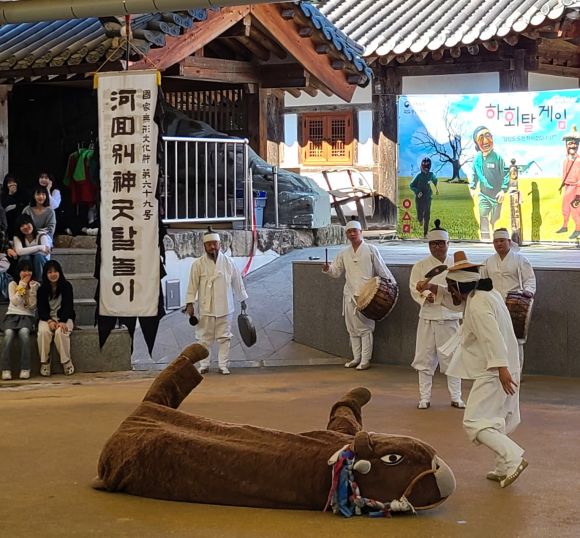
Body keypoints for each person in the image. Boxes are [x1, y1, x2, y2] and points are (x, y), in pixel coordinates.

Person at [417, 251, 527, 488]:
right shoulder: (485, 294)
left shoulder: (477, 305)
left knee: (474, 421)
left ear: (459, 286)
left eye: (451, 287)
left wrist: (501, 369)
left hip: (496, 370)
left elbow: (492, 337)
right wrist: (432, 287)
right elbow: (455, 301)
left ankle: (513, 458)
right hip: (504, 366)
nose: (450, 292)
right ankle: (502, 467)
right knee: (495, 420)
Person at [322, 220, 395, 370]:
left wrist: (391, 284)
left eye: (355, 231)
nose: (352, 234)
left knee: (365, 329)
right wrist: (328, 268)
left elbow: (381, 268)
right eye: (349, 232)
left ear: (361, 232)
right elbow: (336, 272)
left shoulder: (371, 249)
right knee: (352, 329)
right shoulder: (343, 253)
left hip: (368, 296)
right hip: (349, 295)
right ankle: (356, 358)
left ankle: (365, 360)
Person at [409, 220, 464, 409]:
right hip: (428, 318)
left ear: (448, 244)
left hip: (450, 318)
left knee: (453, 358)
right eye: (433, 244)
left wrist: (444, 295)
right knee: (424, 358)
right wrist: (426, 295)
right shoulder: (420, 265)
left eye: (441, 243)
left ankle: (456, 396)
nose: (437, 247)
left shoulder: (457, 265)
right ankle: (424, 397)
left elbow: (463, 288)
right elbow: (414, 287)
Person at [185, 228, 248, 375]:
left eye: (215, 244)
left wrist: (242, 299)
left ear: (219, 244)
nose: (212, 247)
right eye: (209, 245)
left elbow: (238, 283)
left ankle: (223, 365)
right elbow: (192, 285)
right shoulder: (198, 264)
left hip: (225, 307)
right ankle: (204, 365)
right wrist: (190, 303)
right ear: (204, 246)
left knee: (225, 337)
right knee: (203, 338)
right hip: (205, 307)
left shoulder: (229, 262)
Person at [483, 228, 536, 369]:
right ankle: (498, 369)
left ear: (508, 241)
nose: (499, 244)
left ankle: (516, 372)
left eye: (501, 241)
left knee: (515, 340)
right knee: (495, 337)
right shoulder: (488, 262)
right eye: (496, 241)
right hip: (494, 304)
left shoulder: (520, 260)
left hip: (514, 304)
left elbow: (530, 279)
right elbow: (482, 280)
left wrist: (528, 291)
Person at [1, 258, 39, 380]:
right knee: (8, 334)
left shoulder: (35, 285)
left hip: (27, 317)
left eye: (29, 270)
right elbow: (15, 302)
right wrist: (22, 285)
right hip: (12, 315)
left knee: (24, 333)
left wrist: (32, 290)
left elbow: (32, 306)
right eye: (23, 270)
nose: (26, 273)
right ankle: (6, 368)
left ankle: (25, 367)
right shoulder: (12, 284)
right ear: (19, 272)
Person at [37, 260, 76, 377]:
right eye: (50, 272)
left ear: (60, 272)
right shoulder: (41, 289)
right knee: (43, 332)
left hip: (65, 317)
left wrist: (62, 321)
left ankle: (66, 361)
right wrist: (49, 320)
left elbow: (69, 306)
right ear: (45, 274)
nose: (53, 274)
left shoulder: (67, 286)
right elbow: (41, 309)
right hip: (47, 318)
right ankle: (45, 362)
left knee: (60, 332)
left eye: (55, 271)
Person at [470, 126, 509, 240]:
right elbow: (474, 173)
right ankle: (485, 239)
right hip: (484, 194)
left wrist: (503, 190)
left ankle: (497, 240)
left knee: (495, 220)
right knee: (483, 216)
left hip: (496, 195)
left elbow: (506, 174)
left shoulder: (498, 158)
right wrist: (472, 187)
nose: (486, 141)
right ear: (477, 143)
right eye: (481, 138)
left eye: (488, 136)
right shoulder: (477, 158)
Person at [556, 124, 580, 239]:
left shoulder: (579, 161)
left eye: (574, 143)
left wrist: (578, 194)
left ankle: (578, 228)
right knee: (565, 208)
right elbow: (564, 174)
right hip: (567, 187)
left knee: (575, 209)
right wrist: (562, 185)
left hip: (575, 188)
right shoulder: (565, 161)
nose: (572, 146)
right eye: (570, 143)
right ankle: (565, 226)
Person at [13, 213, 51, 280]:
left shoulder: (42, 235)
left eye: (27, 223)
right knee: (25, 257)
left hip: (41, 263)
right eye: (22, 225)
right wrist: (40, 247)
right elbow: (19, 252)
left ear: (32, 223)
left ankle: (41, 282)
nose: (25, 227)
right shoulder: (17, 237)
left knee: (38, 257)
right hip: (27, 262)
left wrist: (26, 251)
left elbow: (46, 252)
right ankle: (24, 281)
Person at [410, 157, 439, 237]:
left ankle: (425, 233)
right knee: (420, 213)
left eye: (427, 168)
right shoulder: (419, 176)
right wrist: (417, 192)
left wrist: (435, 183)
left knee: (427, 214)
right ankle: (420, 220)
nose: (426, 170)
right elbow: (411, 185)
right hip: (419, 198)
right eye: (424, 168)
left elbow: (434, 179)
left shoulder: (430, 174)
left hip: (427, 197)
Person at [1, 173, 29, 239]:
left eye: (14, 182)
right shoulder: (3, 195)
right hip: (8, 225)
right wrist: (10, 195)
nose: (12, 184)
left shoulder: (24, 193)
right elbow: (4, 208)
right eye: (9, 183)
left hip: (22, 223)